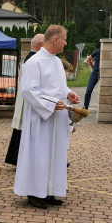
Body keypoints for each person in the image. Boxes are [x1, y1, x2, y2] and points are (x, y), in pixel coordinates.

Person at [14, 25, 80, 209]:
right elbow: (28, 90)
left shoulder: (57, 62)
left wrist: (68, 93)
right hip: (41, 118)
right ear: (56, 40)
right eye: (65, 38)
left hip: (57, 117)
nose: (66, 42)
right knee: (39, 155)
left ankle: (50, 190)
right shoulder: (34, 62)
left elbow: (57, 87)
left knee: (55, 155)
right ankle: (35, 193)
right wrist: (52, 103)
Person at [5, 33, 45, 166]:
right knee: (25, 131)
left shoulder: (29, 57)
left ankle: (16, 158)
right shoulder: (34, 60)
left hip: (24, 99)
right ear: (40, 44)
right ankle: (20, 159)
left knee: (21, 130)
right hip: (28, 100)